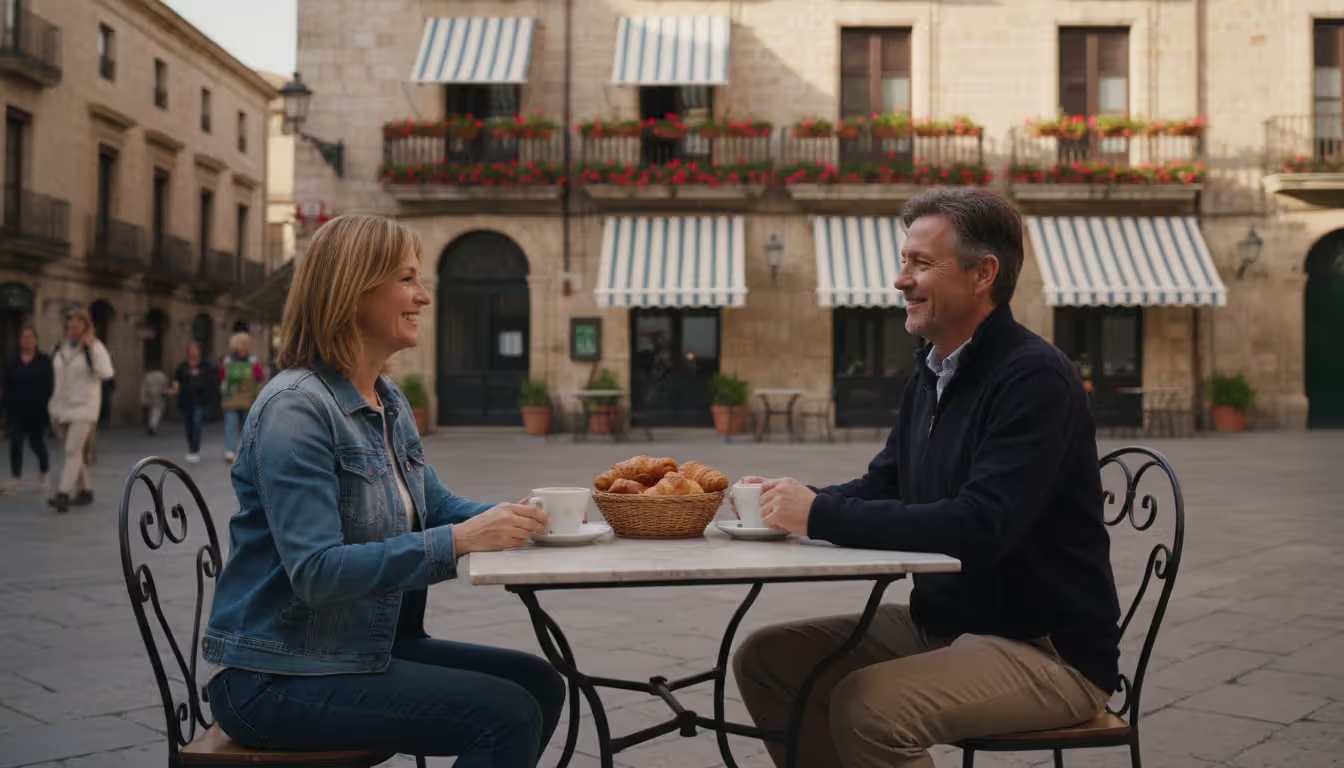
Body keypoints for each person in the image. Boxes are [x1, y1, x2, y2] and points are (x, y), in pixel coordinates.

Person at [732, 189, 1121, 768]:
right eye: (903, 261)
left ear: (982, 273)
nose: (899, 279)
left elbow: (981, 524)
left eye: (920, 263)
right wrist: (786, 502)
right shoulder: (932, 374)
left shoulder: (1034, 379)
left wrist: (819, 514)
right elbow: (885, 483)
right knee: (767, 658)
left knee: (868, 707)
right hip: (945, 624)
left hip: (1047, 650)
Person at [203, 214, 565, 765]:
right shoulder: (296, 408)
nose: (423, 297)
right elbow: (317, 572)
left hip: (357, 649)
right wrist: (461, 541)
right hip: (277, 673)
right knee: (506, 713)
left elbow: (435, 506)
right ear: (352, 293)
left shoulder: (385, 398)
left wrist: (530, 517)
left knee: (540, 682)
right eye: (407, 280)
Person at [47, 309, 114, 513]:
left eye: (76, 325)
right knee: (74, 452)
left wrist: (91, 348)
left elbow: (107, 373)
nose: (72, 329)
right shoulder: (60, 348)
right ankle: (85, 490)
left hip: (85, 408)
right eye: (69, 325)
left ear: (86, 327)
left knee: (71, 450)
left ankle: (63, 494)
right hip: (60, 408)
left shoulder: (95, 347)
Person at [3, 327, 54, 492]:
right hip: (16, 410)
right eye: (24, 337)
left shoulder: (43, 360)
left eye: (30, 337)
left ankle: (44, 472)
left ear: (36, 340)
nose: (27, 340)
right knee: (15, 443)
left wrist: (46, 403)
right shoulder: (13, 362)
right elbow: (6, 385)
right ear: (20, 341)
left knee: (36, 443)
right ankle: (16, 477)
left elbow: (49, 384)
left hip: (37, 410)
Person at [218, 331, 264, 463]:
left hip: (248, 399)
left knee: (247, 427)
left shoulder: (252, 360)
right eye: (240, 345)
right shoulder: (228, 360)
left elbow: (259, 377)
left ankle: (245, 452)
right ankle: (230, 452)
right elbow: (221, 377)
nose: (242, 348)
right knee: (231, 425)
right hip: (232, 399)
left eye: (244, 345)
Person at [167, 342, 211, 464]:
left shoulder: (204, 366)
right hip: (185, 400)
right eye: (191, 349)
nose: (193, 352)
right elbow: (177, 380)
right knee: (188, 426)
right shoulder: (183, 367)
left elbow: (208, 381)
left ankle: (194, 450)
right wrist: (174, 389)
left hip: (199, 400)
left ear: (199, 351)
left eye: (195, 349)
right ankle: (191, 447)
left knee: (197, 423)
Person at [140, 367, 169, 435]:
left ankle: (151, 424)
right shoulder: (162, 375)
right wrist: (165, 392)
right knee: (157, 410)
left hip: (149, 394)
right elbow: (165, 385)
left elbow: (144, 387)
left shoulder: (147, 375)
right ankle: (152, 425)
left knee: (152, 410)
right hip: (159, 394)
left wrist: (143, 399)